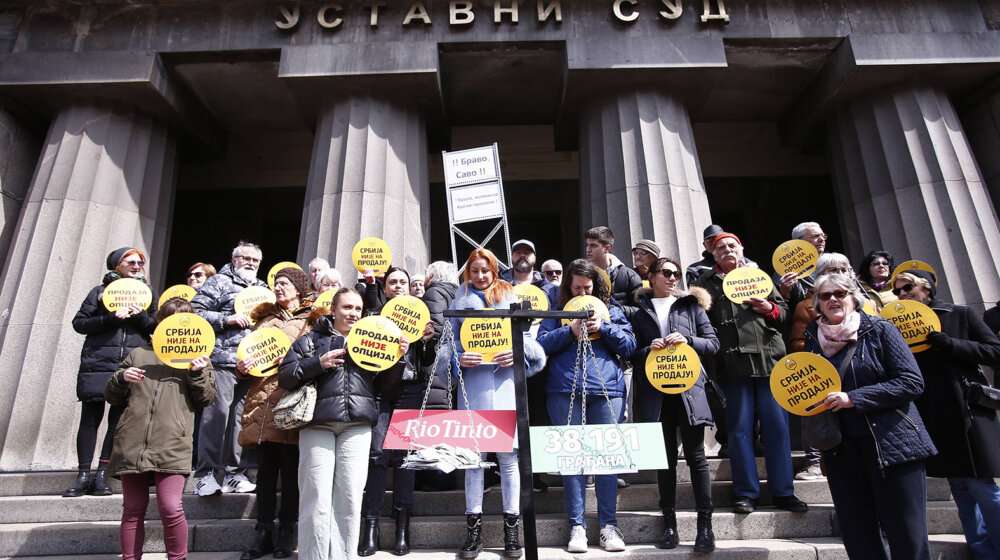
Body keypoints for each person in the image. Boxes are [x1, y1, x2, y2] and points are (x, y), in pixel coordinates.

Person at [802, 273, 936, 559]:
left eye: (840, 293)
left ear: (853, 297)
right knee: (857, 534)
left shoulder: (880, 329)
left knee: (907, 535)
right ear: (818, 304)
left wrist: (854, 399)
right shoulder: (813, 336)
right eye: (825, 296)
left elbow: (911, 382)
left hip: (892, 444)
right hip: (842, 448)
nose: (833, 300)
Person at [278, 288, 401, 560]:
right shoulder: (310, 341)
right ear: (333, 310)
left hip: (356, 425)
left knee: (349, 498)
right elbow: (285, 377)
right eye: (347, 307)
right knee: (316, 499)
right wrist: (317, 364)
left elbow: (386, 387)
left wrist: (397, 359)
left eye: (358, 309)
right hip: (317, 425)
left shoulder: (373, 340)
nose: (353, 313)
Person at [441, 248, 547, 559]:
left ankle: (511, 533)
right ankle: (473, 533)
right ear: (468, 273)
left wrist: (516, 353)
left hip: (504, 390)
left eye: (485, 270)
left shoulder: (509, 298)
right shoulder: (458, 303)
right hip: (472, 392)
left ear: (494, 271)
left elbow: (531, 348)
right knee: (473, 463)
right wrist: (459, 356)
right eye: (475, 270)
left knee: (508, 461)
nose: (481, 275)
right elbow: (445, 348)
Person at [693, 233, 807, 514]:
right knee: (739, 432)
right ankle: (745, 493)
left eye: (732, 245)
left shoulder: (760, 278)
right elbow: (698, 323)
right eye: (721, 247)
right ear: (713, 254)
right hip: (732, 367)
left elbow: (784, 313)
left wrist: (768, 308)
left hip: (769, 362)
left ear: (742, 250)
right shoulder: (703, 284)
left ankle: (783, 492)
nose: (727, 250)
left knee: (777, 430)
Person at [894, 270, 1000, 559]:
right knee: (959, 487)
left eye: (907, 287)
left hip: (968, 408)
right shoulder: (896, 326)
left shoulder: (961, 314)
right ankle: (983, 552)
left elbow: (994, 351)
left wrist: (952, 344)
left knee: (982, 485)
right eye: (897, 291)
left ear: (926, 288)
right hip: (934, 411)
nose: (901, 294)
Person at [104, 298, 216, 560]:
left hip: (172, 441)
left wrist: (197, 373)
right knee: (132, 509)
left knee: (171, 507)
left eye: (183, 321)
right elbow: (111, 395)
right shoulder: (138, 354)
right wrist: (121, 378)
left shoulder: (198, 358)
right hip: (132, 441)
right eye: (171, 320)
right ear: (161, 322)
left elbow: (207, 398)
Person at [537, 258, 636, 553]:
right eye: (576, 287)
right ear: (567, 286)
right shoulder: (557, 309)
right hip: (564, 388)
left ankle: (609, 526)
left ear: (597, 285)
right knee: (572, 461)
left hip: (606, 390)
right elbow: (540, 345)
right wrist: (569, 331)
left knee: (606, 460)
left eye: (587, 287)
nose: (581, 292)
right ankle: (576, 527)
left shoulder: (612, 309)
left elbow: (630, 345)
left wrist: (605, 328)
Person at [624, 257, 718, 552]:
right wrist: (645, 350)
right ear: (651, 277)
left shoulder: (691, 305)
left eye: (676, 273)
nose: (673, 277)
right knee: (664, 461)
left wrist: (689, 339)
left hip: (688, 390)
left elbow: (713, 343)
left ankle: (706, 527)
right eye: (666, 273)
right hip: (655, 392)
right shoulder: (638, 311)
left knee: (696, 457)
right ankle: (669, 525)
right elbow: (630, 353)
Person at [358, 266, 441, 557]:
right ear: (385, 285)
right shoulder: (375, 316)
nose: (398, 286)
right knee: (378, 455)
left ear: (408, 287)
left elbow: (429, 361)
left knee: (405, 458)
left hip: (410, 391)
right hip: (380, 391)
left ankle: (402, 527)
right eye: (392, 282)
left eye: (402, 282)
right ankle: (370, 526)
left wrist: (428, 341)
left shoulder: (420, 316)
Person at [236, 267, 316, 560]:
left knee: (292, 472)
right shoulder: (264, 319)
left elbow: (316, 357)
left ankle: (286, 532)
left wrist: (294, 359)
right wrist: (241, 368)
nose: (278, 288)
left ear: (298, 287)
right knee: (266, 474)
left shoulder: (312, 319)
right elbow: (249, 354)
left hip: (292, 402)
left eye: (284, 284)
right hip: (262, 403)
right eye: (275, 284)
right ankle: (263, 532)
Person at [66, 247, 158, 498]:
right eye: (131, 262)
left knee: (117, 422)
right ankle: (82, 474)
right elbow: (79, 323)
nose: (137, 265)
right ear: (117, 265)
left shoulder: (148, 293)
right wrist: (111, 319)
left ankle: (101, 476)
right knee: (90, 419)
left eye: (141, 262)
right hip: (98, 362)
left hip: (130, 363)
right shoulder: (99, 293)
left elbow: (156, 326)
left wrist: (139, 316)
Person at [190, 241, 268, 496]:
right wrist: (226, 319)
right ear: (234, 260)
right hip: (223, 360)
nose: (250, 263)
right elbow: (196, 311)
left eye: (255, 260)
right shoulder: (218, 283)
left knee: (239, 420)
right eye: (245, 258)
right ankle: (206, 474)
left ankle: (235, 473)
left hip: (252, 363)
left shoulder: (263, 289)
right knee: (216, 417)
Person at [775, 221, 827, 312]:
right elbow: (781, 311)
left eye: (823, 236)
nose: (821, 239)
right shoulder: (783, 271)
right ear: (798, 242)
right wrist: (784, 294)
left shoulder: (834, 263)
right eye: (815, 236)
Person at [585, 226, 641, 305]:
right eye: (587, 245)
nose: (588, 249)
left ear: (607, 248)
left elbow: (639, 311)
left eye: (593, 245)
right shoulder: (581, 274)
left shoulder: (629, 276)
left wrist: (614, 310)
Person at [499, 238, 559, 305]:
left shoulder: (551, 289)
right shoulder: (497, 285)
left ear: (535, 258)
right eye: (518, 253)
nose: (522, 255)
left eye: (527, 253)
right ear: (512, 258)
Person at [423, 260, 460, 339]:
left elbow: (436, 325)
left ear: (431, 276)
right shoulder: (457, 292)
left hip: (438, 347)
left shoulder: (434, 292)